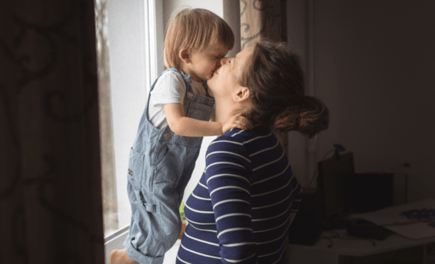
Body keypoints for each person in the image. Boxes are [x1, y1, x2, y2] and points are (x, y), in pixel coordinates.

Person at [110, 8, 251, 264]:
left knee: (161, 222)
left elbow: (206, 115)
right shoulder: (172, 81)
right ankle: (125, 257)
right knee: (163, 225)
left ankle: (134, 252)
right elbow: (177, 124)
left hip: (176, 167)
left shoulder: (201, 85)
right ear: (186, 54)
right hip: (152, 168)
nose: (220, 62)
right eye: (216, 56)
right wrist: (220, 127)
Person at [176, 40, 329, 264]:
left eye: (234, 61)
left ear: (241, 93)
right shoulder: (266, 139)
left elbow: (238, 253)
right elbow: (295, 194)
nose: (224, 59)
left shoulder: (227, 150)